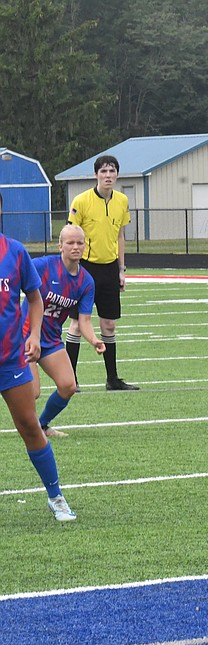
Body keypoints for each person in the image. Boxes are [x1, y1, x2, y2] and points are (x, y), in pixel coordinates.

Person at [0, 192, 78, 521]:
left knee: (30, 426)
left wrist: (33, 335)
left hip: (10, 360)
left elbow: (35, 299)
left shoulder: (15, 252)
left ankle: (56, 496)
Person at [65, 154, 137, 391]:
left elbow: (120, 237)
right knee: (76, 323)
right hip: (84, 268)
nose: (108, 175)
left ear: (117, 174)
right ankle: (71, 379)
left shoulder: (122, 201)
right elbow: (70, 234)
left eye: (112, 171)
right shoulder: (82, 201)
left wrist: (121, 270)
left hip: (109, 268)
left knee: (108, 325)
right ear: (96, 174)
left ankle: (112, 379)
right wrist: (70, 270)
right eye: (104, 171)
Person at [25, 225, 105, 437]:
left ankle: (41, 425)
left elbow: (84, 321)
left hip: (50, 339)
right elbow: (14, 277)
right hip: (26, 335)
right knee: (32, 392)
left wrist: (94, 340)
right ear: (60, 246)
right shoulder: (42, 266)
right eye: (70, 242)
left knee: (68, 386)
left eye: (80, 242)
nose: (75, 247)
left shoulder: (86, 281)